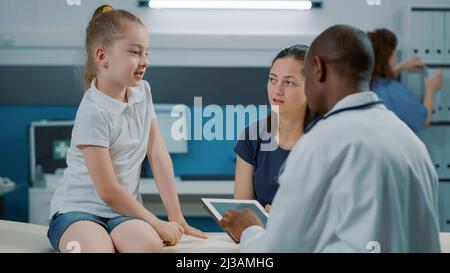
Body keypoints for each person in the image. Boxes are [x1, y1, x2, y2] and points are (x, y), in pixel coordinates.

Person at [220, 25, 440, 253]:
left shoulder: (319, 144)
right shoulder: (411, 143)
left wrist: (250, 230)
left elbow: (277, 250)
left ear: (318, 69)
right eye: (273, 79)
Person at [47, 5, 206, 253]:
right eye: (135, 52)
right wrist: (156, 222)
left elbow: (157, 153)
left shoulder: (143, 92)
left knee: (149, 246)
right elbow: (108, 191)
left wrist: (176, 217)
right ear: (102, 57)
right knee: (97, 250)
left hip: (122, 213)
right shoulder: (93, 112)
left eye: (146, 53)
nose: (145, 61)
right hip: (78, 211)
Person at [234, 45, 311, 212]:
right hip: (261, 236)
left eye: (289, 82)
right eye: (273, 79)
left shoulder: (327, 139)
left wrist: (283, 218)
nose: (277, 90)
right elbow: (241, 213)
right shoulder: (252, 136)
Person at [368, 28, 443, 132]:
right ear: (388, 58)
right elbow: (424, 120)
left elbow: (380, 82)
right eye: (395, 55)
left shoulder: (363, 84)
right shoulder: (394, 91)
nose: (397, 58)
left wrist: (399, 67)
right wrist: (431, 90)